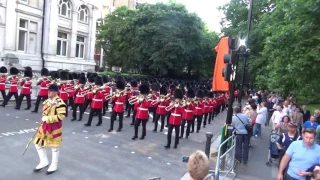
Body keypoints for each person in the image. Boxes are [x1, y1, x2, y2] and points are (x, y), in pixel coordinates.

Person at [33, 84, 66, 174]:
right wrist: (44, 118)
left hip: (54, 127)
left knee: (54, 147)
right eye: (49, 91)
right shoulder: (46, 101)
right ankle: (44, 161)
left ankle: (54, 165)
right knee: (38, 143)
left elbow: (61, 116)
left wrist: (48, 119)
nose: (49, 92)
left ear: (56, 92)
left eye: (51, 91)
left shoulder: (60, 103)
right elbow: (44, 112)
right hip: (44, 126)